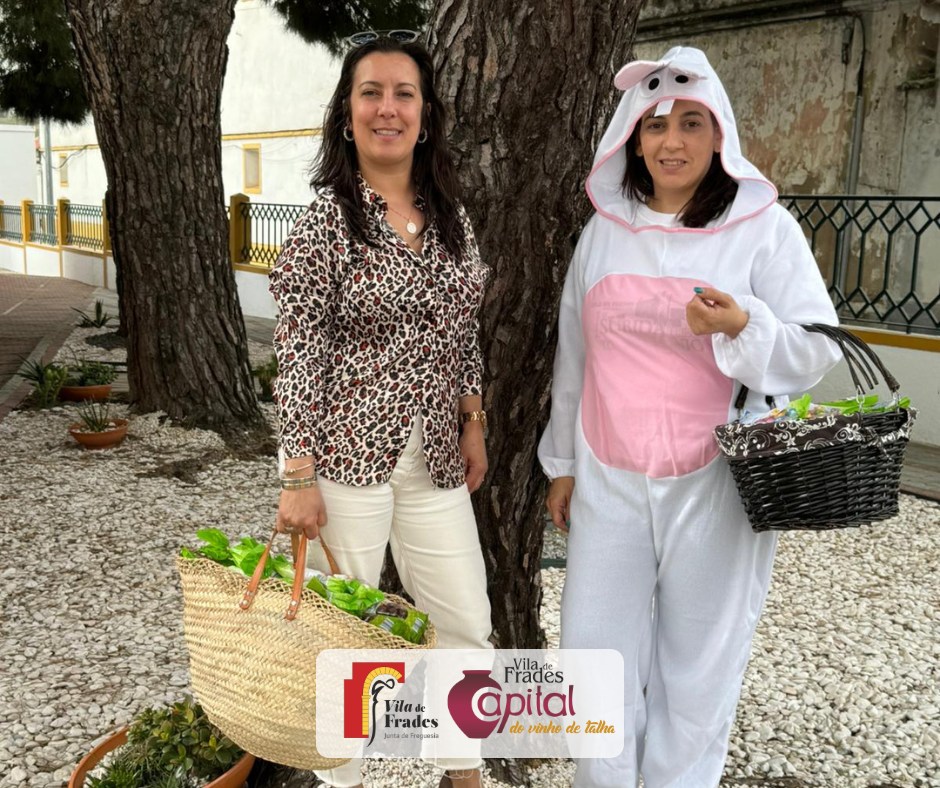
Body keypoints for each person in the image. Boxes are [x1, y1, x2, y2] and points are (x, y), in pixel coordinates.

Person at [538, 46, 842, 787]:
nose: (672, 141)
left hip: (718, 487)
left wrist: (744, 326)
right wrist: (564, 465)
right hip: (609, 480)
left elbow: (816, 347)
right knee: (594, 658)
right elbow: (575, 352)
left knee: (699, 665)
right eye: (656, 124)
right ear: (633, 138)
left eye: (692, 122)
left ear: (719, 135)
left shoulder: (763, 228)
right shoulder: (603, 232)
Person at [269, 30, 491, 788]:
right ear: (347, 113)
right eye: (371, 93)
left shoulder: (453, 219)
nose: (387, 108)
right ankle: (342, 780)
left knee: (464, 619)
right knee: (344, 638)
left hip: (433, 460)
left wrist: (473, 420)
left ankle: (463, 773)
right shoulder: (325, 225)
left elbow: (463, 332)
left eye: (404, 94)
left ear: (426, 116)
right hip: (343, 465)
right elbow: (298, 356)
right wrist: (295, 474)